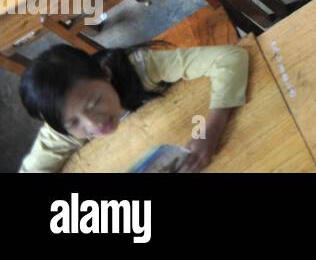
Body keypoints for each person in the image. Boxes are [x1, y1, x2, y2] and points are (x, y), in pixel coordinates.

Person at [18, 41, 249, 172]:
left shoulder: (140, 68)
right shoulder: (60, 129)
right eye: (75, 122)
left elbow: (230, 58)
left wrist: (212, 129)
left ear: (106, 73)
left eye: (95, 102)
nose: (94, 123)